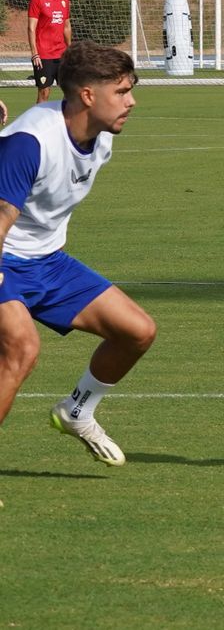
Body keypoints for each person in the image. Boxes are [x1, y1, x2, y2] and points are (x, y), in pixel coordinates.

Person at [0, 42, 157, 473]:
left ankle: (76, 410)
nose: (131, 101)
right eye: (122, 91)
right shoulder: (31, 141)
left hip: (46, 261)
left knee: (137, 331)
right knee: (21, 349)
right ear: (88, 95)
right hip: (3, 258)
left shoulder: (100, 139)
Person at [26, 0, 73, 104]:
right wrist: (35, 53)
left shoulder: (65, 0)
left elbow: (66, 26)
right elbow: (31, 28)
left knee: (71, 91)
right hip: (44, 55)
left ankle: (63, 122)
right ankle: (38, 124)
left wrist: (70, 50)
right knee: (44, 92)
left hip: (62, 54)